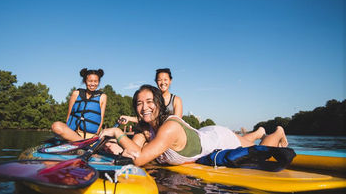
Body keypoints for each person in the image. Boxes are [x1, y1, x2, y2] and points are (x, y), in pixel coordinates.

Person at [100, 84, 288, 166]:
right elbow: (134, 151)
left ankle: (277, 132)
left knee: (260, 151)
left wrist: (117, 132)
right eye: (139, 103)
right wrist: (118, 147)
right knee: (247, 141)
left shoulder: (169, 127)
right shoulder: (145, 128)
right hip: (202, 134)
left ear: (159, 103)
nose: (144, 107)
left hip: (218, 139)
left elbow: (140, 159)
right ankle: (256, 132)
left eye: (149, 102)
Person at [52, 68, 107, 141]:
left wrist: (96, 135)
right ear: (85, 81)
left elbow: (101, 119)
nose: (93, 84)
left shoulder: (102, 97)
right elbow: (69, 115)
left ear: (98, 82)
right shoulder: (76, 94)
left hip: (91, 136)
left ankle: (82, 142)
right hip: (73, 133)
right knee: (56, 126)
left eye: (95, 81)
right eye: (90, 81)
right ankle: (79, 141)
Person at [119, 68, 183, 124]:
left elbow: (177, 123)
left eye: (165, 79)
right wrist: (128, 118)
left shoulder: (176, 100)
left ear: (170, 81)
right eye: (159, 80)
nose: (163, 82)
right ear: (156, 82)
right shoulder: (151, 98)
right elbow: (146, 117)